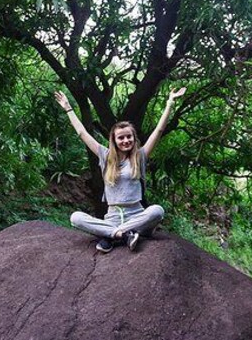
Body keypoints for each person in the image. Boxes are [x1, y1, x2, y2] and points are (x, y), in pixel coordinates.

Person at [54, 87, 186, 253]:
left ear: (134, 138)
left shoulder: (140, 156)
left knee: (157, 211)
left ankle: (110, 235)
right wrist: (68, 108)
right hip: (112, 218)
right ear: (114, 140)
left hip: (137, 217)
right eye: (121, 137)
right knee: (75, 218)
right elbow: (82, 133)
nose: (125, 140)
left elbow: (159, 131)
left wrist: (169, 103)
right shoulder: (105, 155)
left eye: (129, 136)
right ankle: (122, 234)